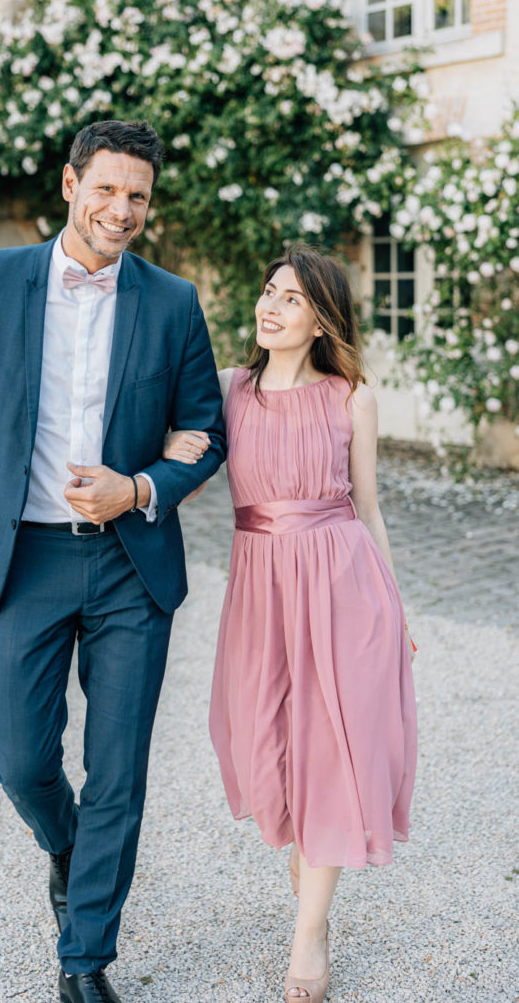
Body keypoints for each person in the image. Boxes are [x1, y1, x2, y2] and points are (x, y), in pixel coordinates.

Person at [0, 119, 226, 1003]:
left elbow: (207, 436)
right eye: (107, 189)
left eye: (138, 196)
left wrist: (139, 487)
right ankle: (64, 844)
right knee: (21, 760)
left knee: (119, 768)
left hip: (132, 565)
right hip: (25, 556)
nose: (121, 210)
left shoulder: (171, 302)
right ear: (69, 184)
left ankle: (85, 958)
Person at [164, 245, 417, 1003]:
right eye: (267, 291)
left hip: (344, 583)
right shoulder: (226, 391)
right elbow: (179, 464)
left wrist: (396, 609)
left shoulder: (350, 398)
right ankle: (310, 867)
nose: (269, 308)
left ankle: (309, 933)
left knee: (334, 746)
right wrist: (171, 448)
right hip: (261, 589)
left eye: (291, 300)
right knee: (267, 743)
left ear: (319, 321)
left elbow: (368, 509)